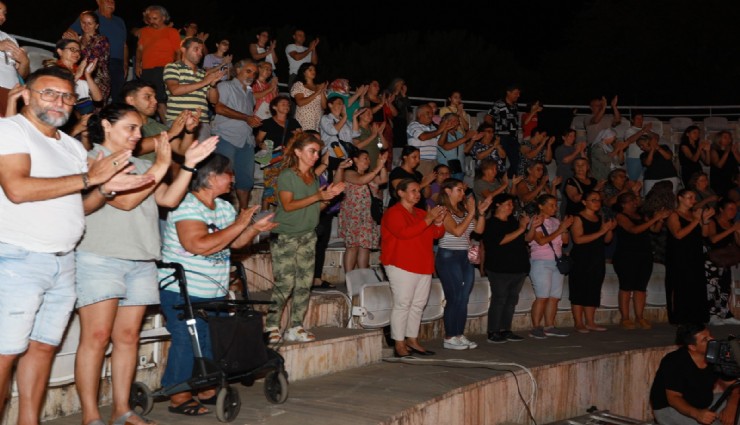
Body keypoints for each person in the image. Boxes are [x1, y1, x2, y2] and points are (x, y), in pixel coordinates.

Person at [0, 66, 152, 425]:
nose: (60, 102)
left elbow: (80, 204)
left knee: (43, 349)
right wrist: (89, 177)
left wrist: (104, 189)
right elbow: (18, 189)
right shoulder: (10, 131)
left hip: (63, 260)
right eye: (49, 93)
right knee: (5, 354)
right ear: (26, 94)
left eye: (67, 96)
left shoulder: (69, 145)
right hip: (18, 257)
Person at [74, 104, 217, 425]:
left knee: (127, 338)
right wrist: (164, 163)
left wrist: (189, 167)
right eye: (131, 128)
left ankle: (122, 410)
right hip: (100, 257)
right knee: (96, 337)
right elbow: (124, 201)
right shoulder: (90, 160)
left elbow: (168, 198)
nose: (138, 136)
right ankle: (90, 416)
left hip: (140, 259)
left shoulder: (140, 163)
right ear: (107, 127)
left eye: (140, 129)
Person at [159, 153, 277, 416]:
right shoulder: (186, 204)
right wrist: (240, 224)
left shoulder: (223, 207)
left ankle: (205, 388)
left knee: (214, 340)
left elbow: (234, 243)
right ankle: (178, 395)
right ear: (211, 177)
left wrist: (254, 229)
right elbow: (198, 244)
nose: (233, 179)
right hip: (182, 290)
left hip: (214, 289)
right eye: (229, 173)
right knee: (188, 342)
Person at [263, 134, 344, 344]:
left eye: (318, 152)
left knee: (304, 283)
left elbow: (315, 207)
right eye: (312, 151)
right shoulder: (287, 176)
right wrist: (318, 196)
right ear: (298, 152)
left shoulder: (314, 178)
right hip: (286, 236)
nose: (316, 156)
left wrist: (329, 197)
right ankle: (271, 325)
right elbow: (288, 205)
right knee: (285, 282)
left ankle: (295, 325)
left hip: (308, 235)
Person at [381, 179, 446, 357]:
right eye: (413, 191)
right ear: (400, 193)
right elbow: (404, 233)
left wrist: (438, 222)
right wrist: (429, 219)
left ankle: (412, 339)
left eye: (419, 191)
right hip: (400, 263)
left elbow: (436, 234)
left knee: (418, 304)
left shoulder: (420, 213)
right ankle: (399, 342)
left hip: (422, 263)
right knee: (403, 303)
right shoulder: (393, 213)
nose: (418, 194)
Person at [436, 179, 491, 349]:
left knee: (464, 297)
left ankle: (459, 334)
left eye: (462, 190)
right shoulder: (443, 211)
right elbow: (457, 231)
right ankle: (449, 336)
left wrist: (480, 213)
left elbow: (479, 230)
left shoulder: (462, 210)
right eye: (458, 190)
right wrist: (471, 212)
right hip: (448, 257)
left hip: (464, 257)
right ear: (447, 191)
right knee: (455, 297)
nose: (462, 193)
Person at [650, 323, 739, 425]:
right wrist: (698, 414)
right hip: (670, 410)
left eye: (710, 335)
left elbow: (735, 385)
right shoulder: (674, 361)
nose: (712, 340)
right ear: (692, 347)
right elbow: (673, 398)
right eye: (705, 339)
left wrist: (732, 406)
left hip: (703, 404)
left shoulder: (716, 355)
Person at [484, 193, 540, 343]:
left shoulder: (513, 222)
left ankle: (505, 329)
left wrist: (532, 227)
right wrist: (522, 228)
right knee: (499, 299)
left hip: (518, 267)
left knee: (511, 301)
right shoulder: (491, 223)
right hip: (499, 268)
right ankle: (493, 331)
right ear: (498, 205)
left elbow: (527, 239)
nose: (511, 207)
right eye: (508, 204)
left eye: (512, 205)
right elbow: (500, 241)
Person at [613, 192, 669, 330]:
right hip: (626, 255)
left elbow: (654, 230)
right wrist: (653, 219)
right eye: (630, 201)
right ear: (623, 204)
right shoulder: (620, 216)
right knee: (626, 287)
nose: (634, 203)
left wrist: (660, 220)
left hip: (644, 254)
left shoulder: (641, 215)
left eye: (634, 200)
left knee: (640, 287)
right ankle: (625, 318)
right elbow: (634, 230)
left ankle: (640, 317)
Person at [211, 59, 262, 209]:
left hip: (246, 140)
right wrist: (247, 118)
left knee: (246, 181)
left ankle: (244, 215)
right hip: (226, 137)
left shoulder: (250, 94)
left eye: (254, 73)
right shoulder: (225, 86)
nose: (252, 75)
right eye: (248, 71)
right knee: (221, 176)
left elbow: (248, 118)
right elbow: (219, 108)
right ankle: (216, 214)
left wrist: (252, 121)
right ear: (238, 70)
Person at [528, 194, 573, 339]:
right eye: (551, 205)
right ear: (541, 206)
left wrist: (564, 228)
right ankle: (535, 327)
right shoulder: (535, 221)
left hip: (556, 261)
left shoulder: (555, 220)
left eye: (556, 205)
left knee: (554, 297)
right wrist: (561, 229)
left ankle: (549, 326)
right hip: (541, 261)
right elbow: (541, 241)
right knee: (542, 296)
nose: (555, 208)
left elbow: (565, 241)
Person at [666, 189, 714, 325]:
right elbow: (678, 234)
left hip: (695, 253)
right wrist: (696, 221)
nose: (694, 200)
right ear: (680, 198)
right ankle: (681, 317)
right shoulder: (673, 215)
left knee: (696, 284)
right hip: (679, 255)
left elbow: (704, 234)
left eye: (694, 198)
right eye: (690, 197)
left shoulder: (694, 214)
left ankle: (696, 316)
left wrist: (705, 221)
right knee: (682, 284)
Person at [569, 191, 615, 333]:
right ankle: (579, 322)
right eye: (593, 199)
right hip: (581, 258)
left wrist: (609, 229)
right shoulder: (578, 218)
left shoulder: (599, 218)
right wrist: (602, 231)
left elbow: (607, 240)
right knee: (579, 289)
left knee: (594, 289)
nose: (597, 202)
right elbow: (578, 240)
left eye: (598, 200)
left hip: (597, 257)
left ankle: (590, 322)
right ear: (584, 202)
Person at [66, 0, 127, 102]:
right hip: (95, 65)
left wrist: (125, 63)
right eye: (107, 0)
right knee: (88, 98)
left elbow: (124, 44)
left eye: (113, 1)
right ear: (99, 2)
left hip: (117, 64)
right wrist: (76, 42)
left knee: (118, 97)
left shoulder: (119, 21)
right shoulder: (90, 16)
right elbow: (69, 33)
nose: (111, 3)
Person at [339, 150, 388, 273]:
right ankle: (350, 278)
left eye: (369, 159)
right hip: (353, 214)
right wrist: (378, 167)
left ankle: (363, 277)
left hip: (367, 215)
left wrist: (382, 165)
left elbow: (383, 180)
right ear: (355, 159)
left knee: (365, 246)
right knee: (353, 247)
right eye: (365, 158)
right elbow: (361, 181)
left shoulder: (371, 175)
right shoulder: (349, 173)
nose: (368, 161)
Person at [135, 5, 181, 122]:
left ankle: (170, 129)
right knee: (146, 99)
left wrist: (177, 68)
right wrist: (137, 64)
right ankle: (146, 127)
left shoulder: (171, 31)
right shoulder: (145, 31)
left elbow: (178, 52)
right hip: (147, 69)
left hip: (164, 69)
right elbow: (140, 49)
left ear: (164, 17)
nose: (152, 21)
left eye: (155, 18)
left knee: (160, 100)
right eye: (150, 18)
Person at [255, 95, 302, 210]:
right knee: (270, 186)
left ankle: (280, 214)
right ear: (274, 107)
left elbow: (301, 139)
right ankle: (263, 214)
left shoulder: (293, 122)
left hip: (288, 159)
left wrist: (296, 139)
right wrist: (262, 145)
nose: (287, 106)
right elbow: (258, 139)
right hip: (272, 159)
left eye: (288, 104)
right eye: (283, 104)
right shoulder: (267, 123)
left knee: (286, 187)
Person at [705, 199, 740, 326]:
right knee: (712, 288)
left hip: (726, 261)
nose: (733, 212)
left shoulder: (732, 224)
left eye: (735, 209)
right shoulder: (713, 221)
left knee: (725, 287)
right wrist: (732, 229)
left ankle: (725, 313)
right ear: (721, 209)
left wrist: (737, 231)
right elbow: (713, 239)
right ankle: (712, 314)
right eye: (730, 208)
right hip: (712, 260)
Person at [407, 104, 454, 177]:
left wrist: (445, 130)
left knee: (432, 186)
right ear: (419, 114)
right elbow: (422, 137)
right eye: (428, 113)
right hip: (420, 162)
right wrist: (439, 130)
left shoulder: (433, 128)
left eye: (432, 113)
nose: (431, 115)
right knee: (421, 184)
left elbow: (441, 143)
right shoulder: (413, 125)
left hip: (433, 162)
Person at [485, 85, 521, 177]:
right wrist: (495, 131)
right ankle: (501, 182)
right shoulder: (499, 104)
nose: (518, 95)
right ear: (508, 92)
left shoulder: (515, 106)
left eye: (519, 93)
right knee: (501, 162)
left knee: (517, 163)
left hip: (513, 138)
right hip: (502, 138)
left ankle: (509, 178)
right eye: (516, 93)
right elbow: (488, 117)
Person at [290, 63, 326, 131]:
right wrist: (317, 92)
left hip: (317, 119)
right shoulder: (299, 84)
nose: (313, 72)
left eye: (314, 70)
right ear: (303, 72)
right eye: (310, 70)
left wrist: (321, 91)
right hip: (304, 119)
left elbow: (324, 106)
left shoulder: (318, 86)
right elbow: (300, 102)